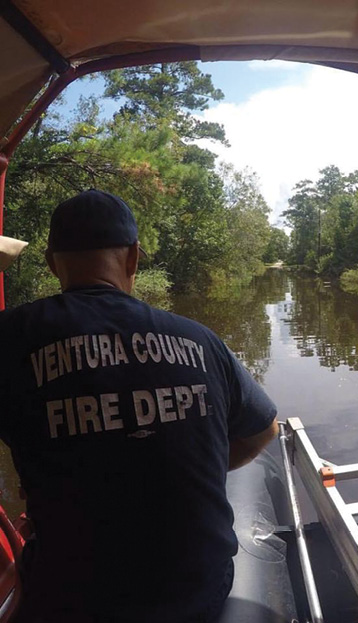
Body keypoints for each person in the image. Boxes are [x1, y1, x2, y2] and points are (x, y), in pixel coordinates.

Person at [0, 189, 278, 623]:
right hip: (199, 590)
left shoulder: (11, 338)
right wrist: (187, 466)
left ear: (53, 263)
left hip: (74, 601)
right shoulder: (199, 339)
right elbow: (265, 430)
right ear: (133, 258)